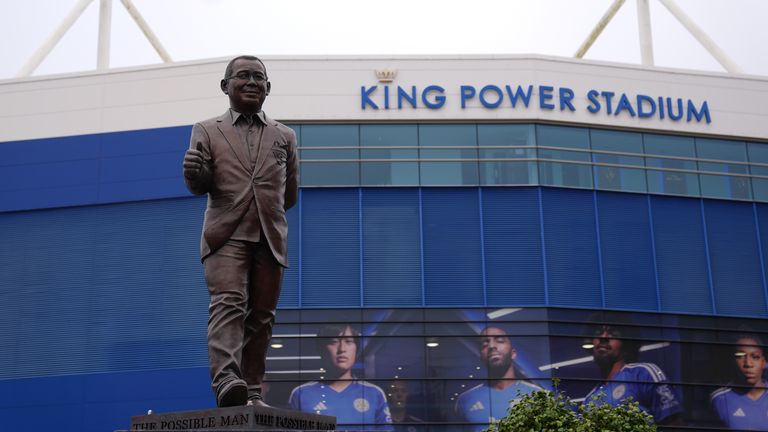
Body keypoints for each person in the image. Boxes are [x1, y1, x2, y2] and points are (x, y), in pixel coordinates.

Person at [182, 55, 299, 408]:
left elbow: (290, 194)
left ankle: (250, 389)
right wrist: (193, 172)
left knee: (262, 316)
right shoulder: (207, 129)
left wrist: (268, 207)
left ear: (268, 87)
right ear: (225, 86)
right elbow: (199, 184)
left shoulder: (285, 135)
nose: (251, 82)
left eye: (258, 77)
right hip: (226, 234)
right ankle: (227, 380)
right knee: (229, 304)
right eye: (243, 76)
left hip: (269, 235)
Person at [288, 324, 392, 429]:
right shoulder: (301, 393)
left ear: (356, 349)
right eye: (334, 342)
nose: (342, 349)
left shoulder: (374, 393)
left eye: (348, 341)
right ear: (322, 350)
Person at [583, 324, 684, 425]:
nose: (603, 337)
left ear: (625, 343)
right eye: (598, 333)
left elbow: (674, 424)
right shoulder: (589, 399)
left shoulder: (643, 374)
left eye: (613, 333)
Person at [455, 327, 546, 431]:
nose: (492, 346)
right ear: (481, 357)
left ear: (513, 353)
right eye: (485, 344)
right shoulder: (464, 400)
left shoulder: (539, 395)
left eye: (499, 341)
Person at [710, 334, 768, 431]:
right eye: (740, 356)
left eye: (755, 357)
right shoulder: (719, 399)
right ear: (733, 361)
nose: (748, 364)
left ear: (764, 362)